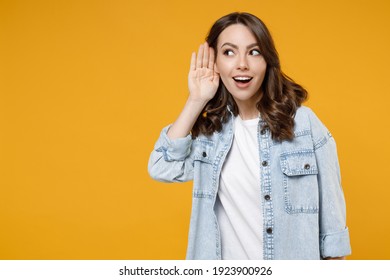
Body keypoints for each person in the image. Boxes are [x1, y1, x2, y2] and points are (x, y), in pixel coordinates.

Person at [148, 12, 351, 260]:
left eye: (254, 52)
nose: (242, 64)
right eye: (229, 52)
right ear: (215, 63)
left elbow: (334, 235)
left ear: (267, 61)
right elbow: (161, 167)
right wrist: (196, 99)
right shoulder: (211, 133)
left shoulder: (305, 125)